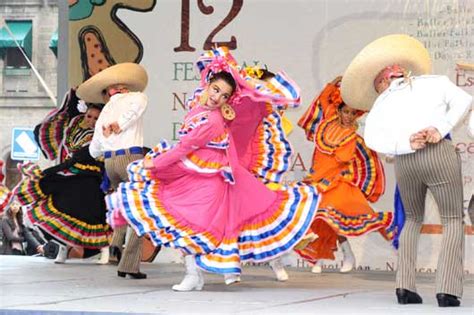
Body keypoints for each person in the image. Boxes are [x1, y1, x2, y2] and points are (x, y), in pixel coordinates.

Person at [106, 47, 319, 291]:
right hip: (196, 173)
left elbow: (184, 146)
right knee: (185, 223)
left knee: (192, 224)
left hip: (209, 180)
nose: (217, 97)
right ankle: (193, 275)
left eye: (225, 96)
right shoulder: (202, 106)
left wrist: (154, 163)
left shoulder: (212, 120)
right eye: (216, 89)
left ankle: (193, 275)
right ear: (207, 84)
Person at [341, 34, 472, 307]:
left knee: (412, 219)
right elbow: (463, 100)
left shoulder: (380, 105)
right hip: (437, 154)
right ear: (403, 69)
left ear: (380, 82)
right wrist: (440, 128)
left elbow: (373, 141)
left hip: (405, 160)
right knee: (451, 219)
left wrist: (405, 143)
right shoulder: (432, 83)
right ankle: (447, 290)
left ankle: (404, 287)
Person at [295, 76, 393, 274]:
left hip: (336, 182)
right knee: (314, 218)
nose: (348, 116)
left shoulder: (351, 138)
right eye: (345, 111)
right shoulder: (328, 120)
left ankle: (347, 255)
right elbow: (323, 101)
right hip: (316, 179)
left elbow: (342, 158)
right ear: (338, 110)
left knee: (336, 221)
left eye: (352, 113)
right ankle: (318, 258)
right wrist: (333, 84)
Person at [77, 62, 149, 279]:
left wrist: (108, 140)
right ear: (123, 86)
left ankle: (117, 241)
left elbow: (94, 149)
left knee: (122, 204)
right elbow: (138, 107)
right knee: (141, 210)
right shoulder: (135, 97)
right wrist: (121, 124)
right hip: (130, 157)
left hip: (110, 162)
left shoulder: (106, 109)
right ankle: (129, 265)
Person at [14, 146, 112, 263]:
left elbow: (72, 162)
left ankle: (104, 250)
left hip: (92, 186)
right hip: (77, 183)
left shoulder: (92, 139)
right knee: (61, 212)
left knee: (94, 217)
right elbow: (70, 163)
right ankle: (63, 248)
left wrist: (48, 172)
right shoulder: (76, 136)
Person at [34, 88, 102, 163]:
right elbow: (71, 107)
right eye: (89, 116)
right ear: (84, 115)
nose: (91, 121)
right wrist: (75, 92)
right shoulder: (75, 122)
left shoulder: (99, 134)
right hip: (65, 160)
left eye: (96, 118)